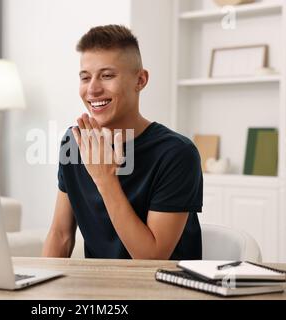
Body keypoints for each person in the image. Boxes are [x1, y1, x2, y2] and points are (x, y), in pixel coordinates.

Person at [42, 25, 203, 260]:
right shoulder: (74, 142)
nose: (93, 89)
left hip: (161, 291)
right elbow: (61, 235)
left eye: (107, 76)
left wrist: (105, 178)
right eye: (85, 77)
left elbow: (151, 259)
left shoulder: (178, 154)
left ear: (140, 80)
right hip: (99, 291)